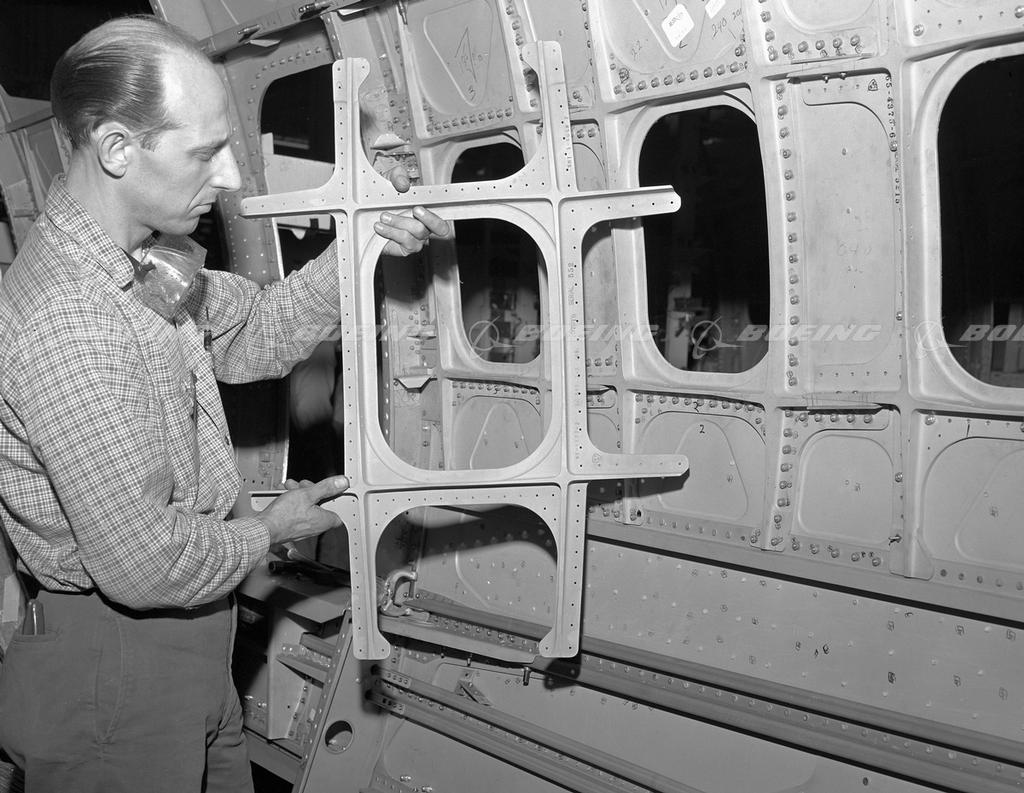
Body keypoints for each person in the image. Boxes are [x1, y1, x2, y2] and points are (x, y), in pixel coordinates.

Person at [0, 14, 448, 793]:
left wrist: (363, 241)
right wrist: (270, 529)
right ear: (116, 149)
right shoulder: (70, 321)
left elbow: (255, 330)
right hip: (118, 668)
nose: (231, 177)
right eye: (206, 153)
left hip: (183, 647)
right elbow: (142, 564)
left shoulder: (138, 262)